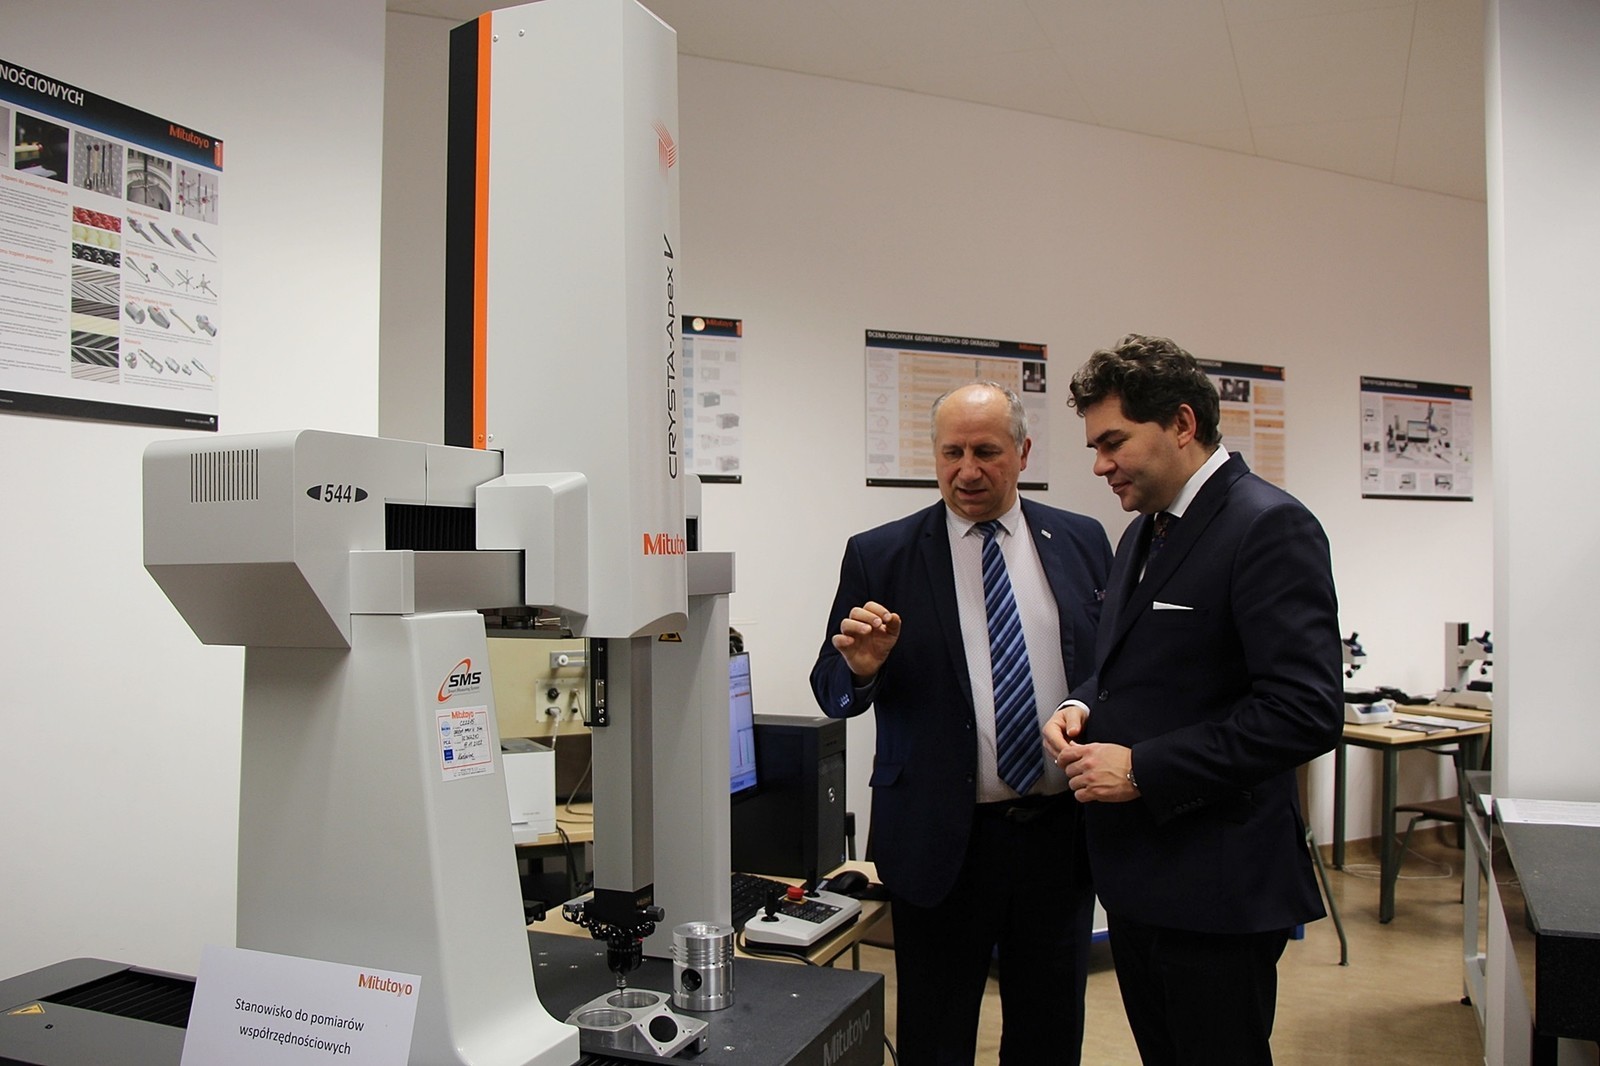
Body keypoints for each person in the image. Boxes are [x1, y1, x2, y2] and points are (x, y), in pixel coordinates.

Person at [1042, 334, 1342, 1066]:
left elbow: (1304, 711)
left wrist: (1141, 768)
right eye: (1094, 446)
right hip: (1142, 878)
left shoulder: (1267, 525)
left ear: (1182, 423)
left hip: (1218, 887)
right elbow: (1134, 665)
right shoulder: (1142, 533)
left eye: (1114, 442)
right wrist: (1082, 703)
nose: (1100, 464)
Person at [811, 381, 1111, 1065]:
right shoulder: (882, 554)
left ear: (1023, 452)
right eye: (952, 453)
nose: (967, 471)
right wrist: (862, 669)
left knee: (1049, 1035)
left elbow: (1111, 666)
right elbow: (831, 690)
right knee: (935, 1036)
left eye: (986, 452)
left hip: (1057, 838)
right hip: (941, 841)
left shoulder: (1082, 540)